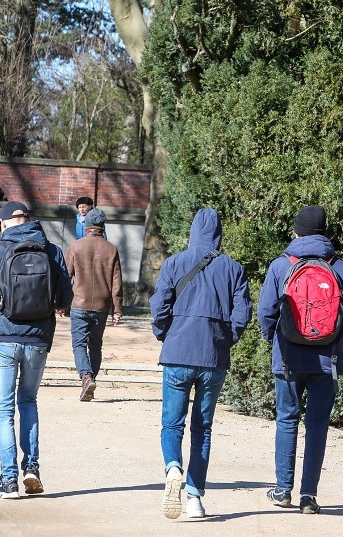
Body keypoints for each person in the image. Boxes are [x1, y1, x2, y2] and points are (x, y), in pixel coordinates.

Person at [257, 205, 343, 515]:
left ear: (297, 231)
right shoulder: (340, 268)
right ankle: (309, 496)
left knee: (287, 421)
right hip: (326, 361)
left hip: (288, 360)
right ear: (325, 232)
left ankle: (282, 489)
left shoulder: (281, 265)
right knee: (317, 426)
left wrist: (275, 341)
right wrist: (337, 339)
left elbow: (266, 313)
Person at [149, 208, 252, 519]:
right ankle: (194, 497)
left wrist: (164, 333)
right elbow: (242, 313)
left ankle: (172, 467)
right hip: (213, 356)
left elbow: (160, 305)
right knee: (202, 428)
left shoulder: (174, 263)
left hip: (178, 352)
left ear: (193, 231)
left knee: (171, 423)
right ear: (219, 233)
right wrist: (226, 339)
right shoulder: (233, 268)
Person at [0, 201, 73, 499]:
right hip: (38, 339)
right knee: (28, 401)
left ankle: (9, 480)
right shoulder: (52, 250)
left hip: (4, 338)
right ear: (29, 220)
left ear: (3, 224)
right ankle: (32, 468)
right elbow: (65, 297)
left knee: (4, 409)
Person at [63, 207, 123, 402]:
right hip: (102, 306)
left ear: (86, 225)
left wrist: (62, 302)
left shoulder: (75, 246)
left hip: (79, 303)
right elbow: (116, 283)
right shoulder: (111, 249)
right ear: (102, 226)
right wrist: (117, 309)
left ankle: (86, 377)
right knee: (95, 345)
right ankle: (91, 379)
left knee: (79, 343)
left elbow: (66, 276)